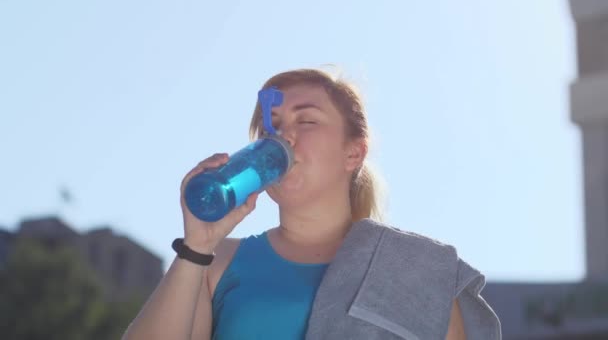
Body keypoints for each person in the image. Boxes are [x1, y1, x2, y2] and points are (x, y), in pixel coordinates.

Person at [122, 68, 499, 340]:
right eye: (271, 125)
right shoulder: (217, 262)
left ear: (353, 153)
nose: (283, 136)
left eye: (307, 121)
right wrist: (196, 247)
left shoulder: (418, 268)